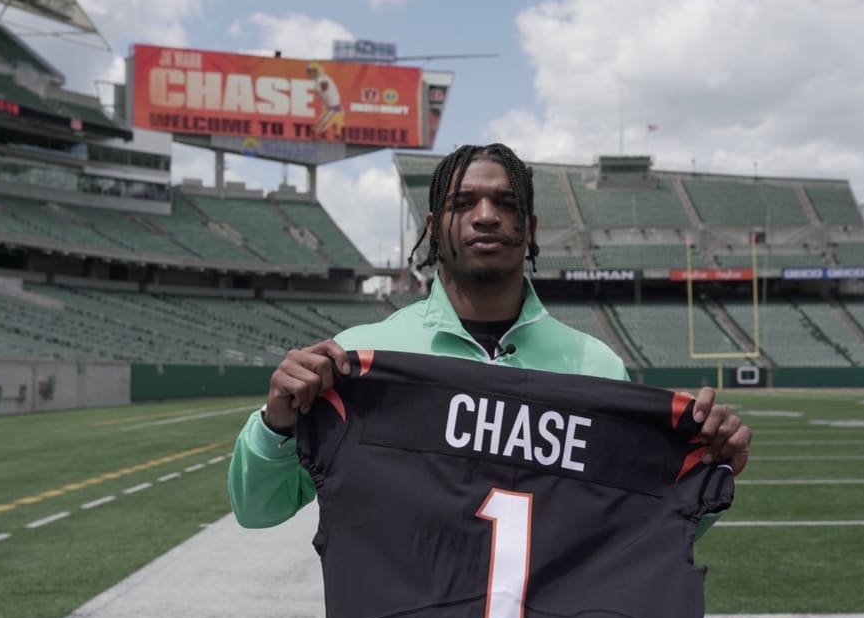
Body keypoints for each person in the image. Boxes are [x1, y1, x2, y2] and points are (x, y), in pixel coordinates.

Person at [228, 142, 751, 533]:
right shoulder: (360, 358)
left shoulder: (595, 366)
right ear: (434, 227)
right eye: (464, 202)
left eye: (505, 203)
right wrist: (276, 422)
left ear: (530, 228)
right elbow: (259, 509)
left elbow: (639, 527)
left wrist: (709, 468)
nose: (485, 216)